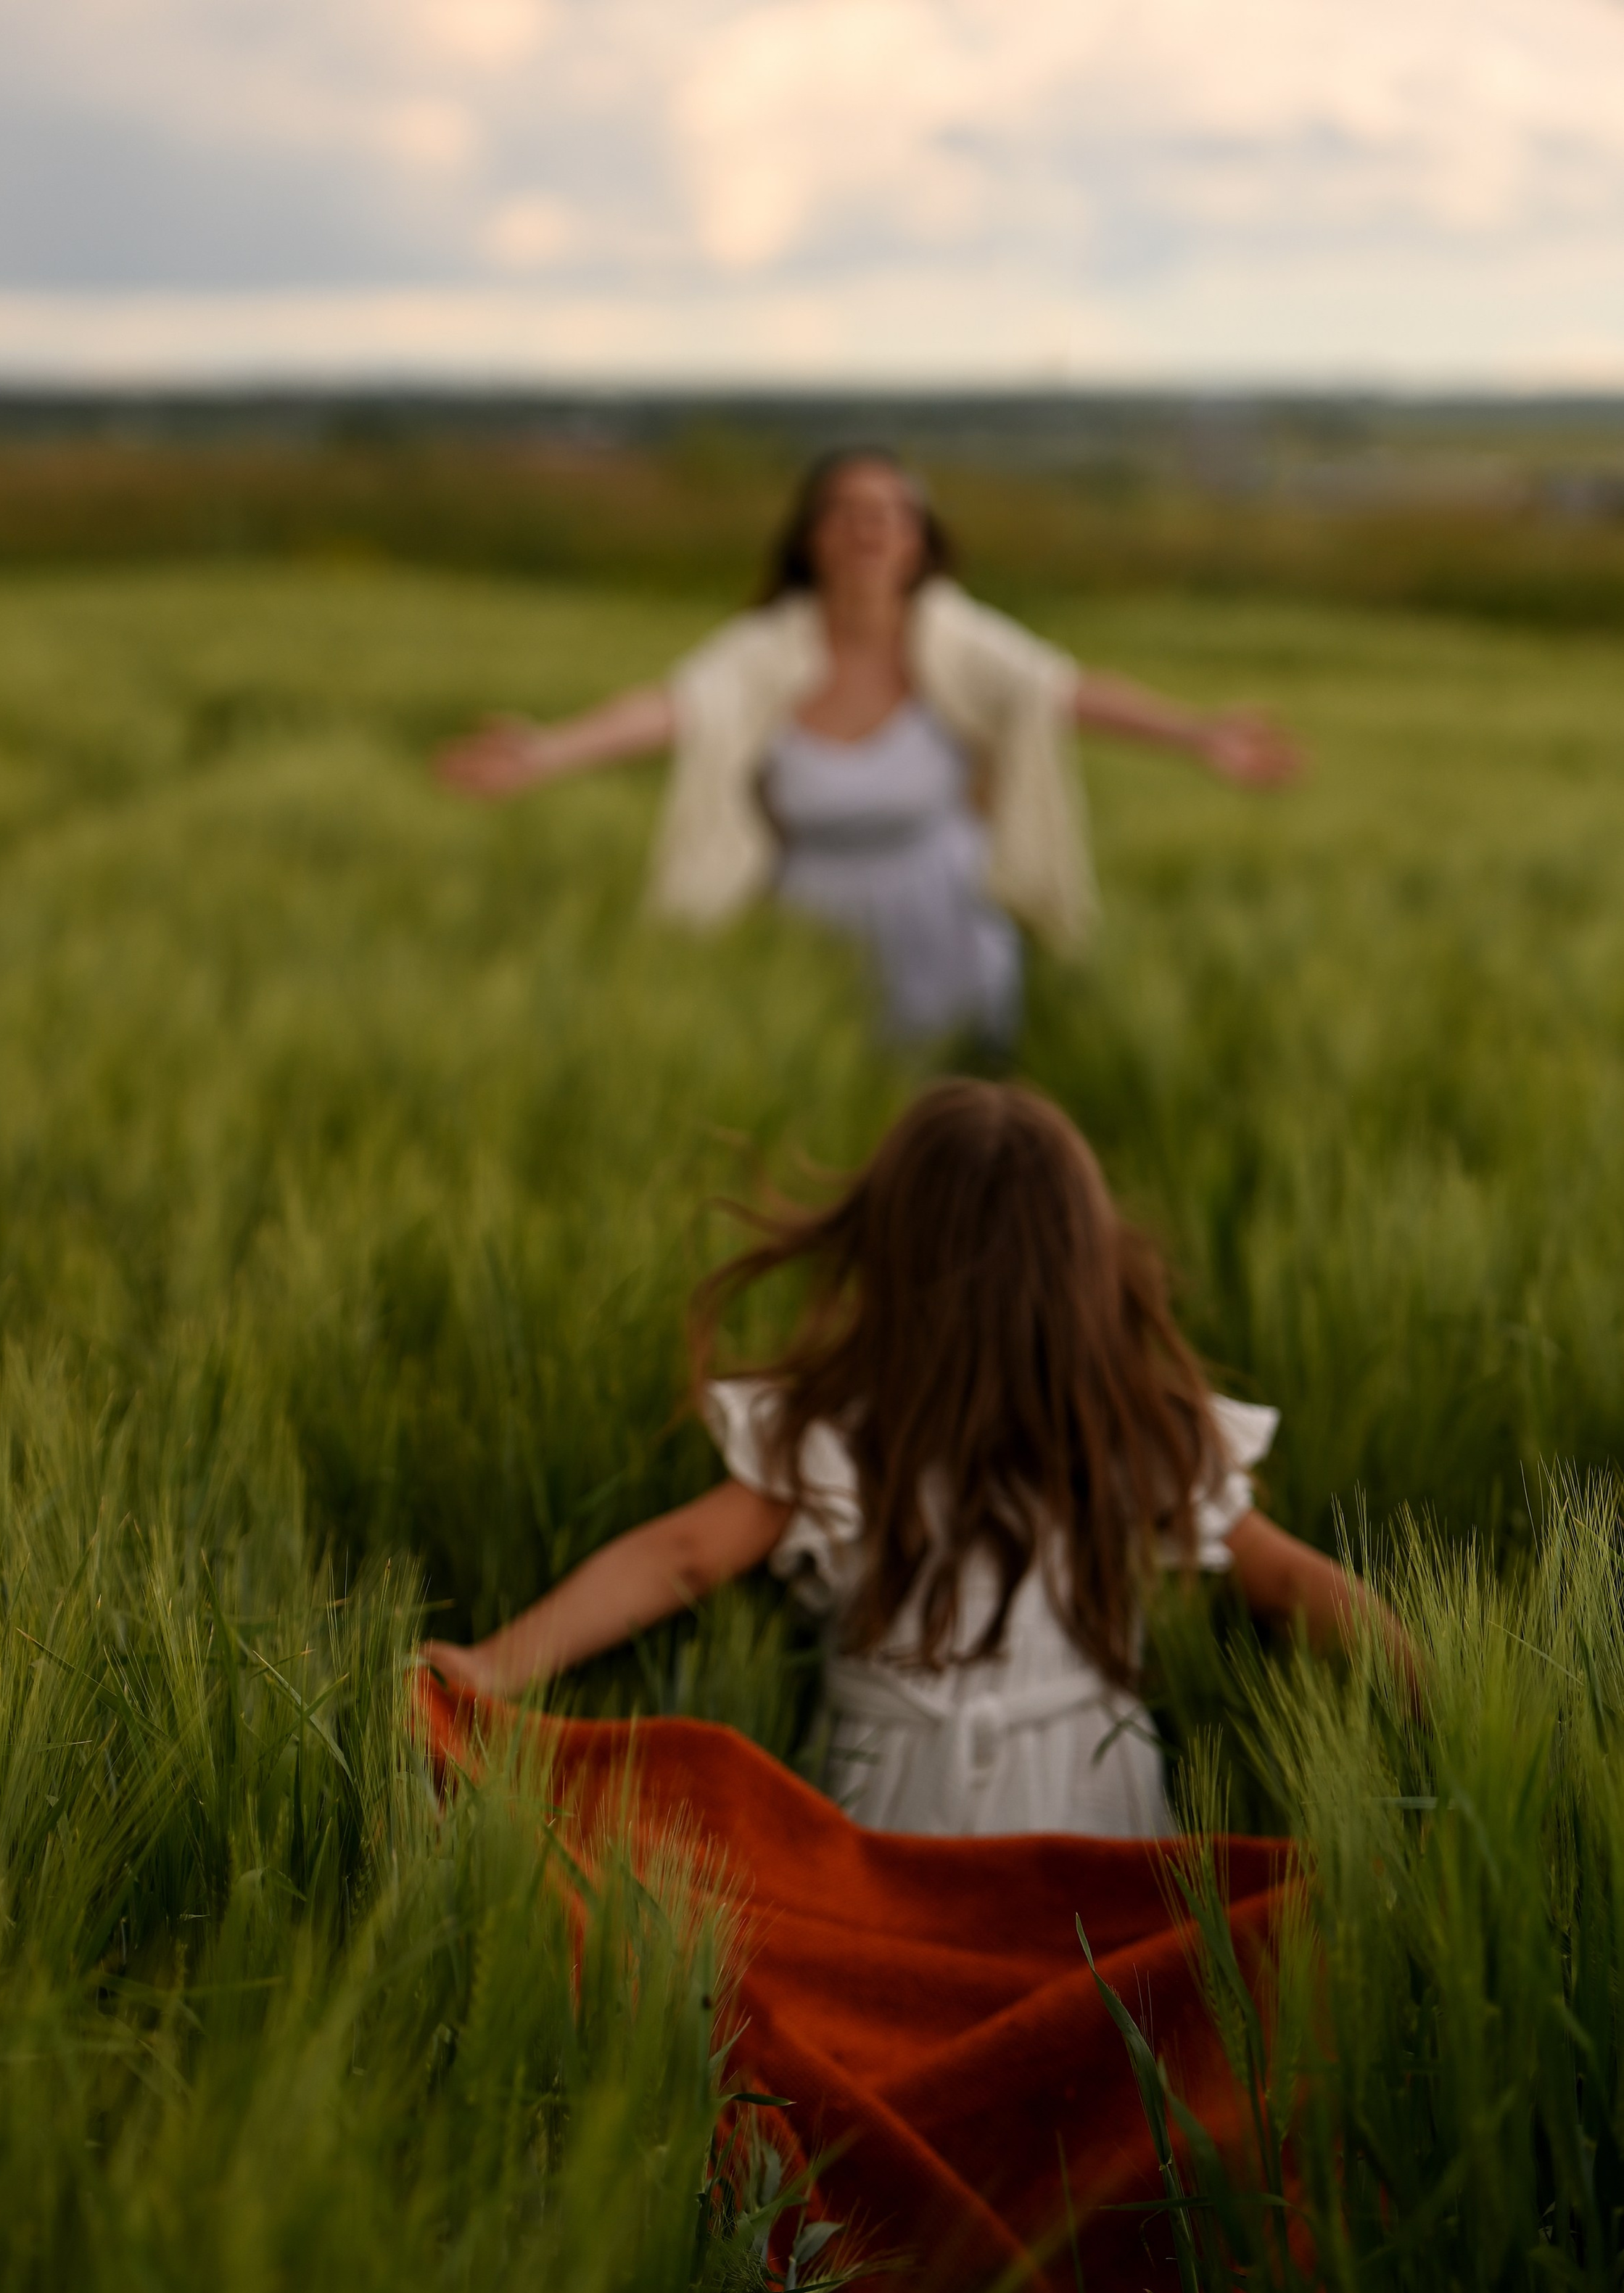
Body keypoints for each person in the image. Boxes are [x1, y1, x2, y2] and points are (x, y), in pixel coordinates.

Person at [424, 1081, 1401, 1840]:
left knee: (896, 1996)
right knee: (1099, 2010)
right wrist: (1433, 1691)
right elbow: (1292, 1582)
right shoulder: (1134, 1434)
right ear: (1084, 1269)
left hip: (888, 1793)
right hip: (1091, 1789)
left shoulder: (841, 1434)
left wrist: (495, 1663)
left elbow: (678, 1555)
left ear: (888, 1257)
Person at [437, 449, 1300, 1055]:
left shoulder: (956, 642)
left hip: (947, 926)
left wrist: (1198, 733)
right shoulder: (765, 653)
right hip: (812, 938)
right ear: (810, 538)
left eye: (889, 514)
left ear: (917, 541)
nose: (868, 529)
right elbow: (675, 708)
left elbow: (1060, 690)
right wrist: (548, 752)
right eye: (845, 512)